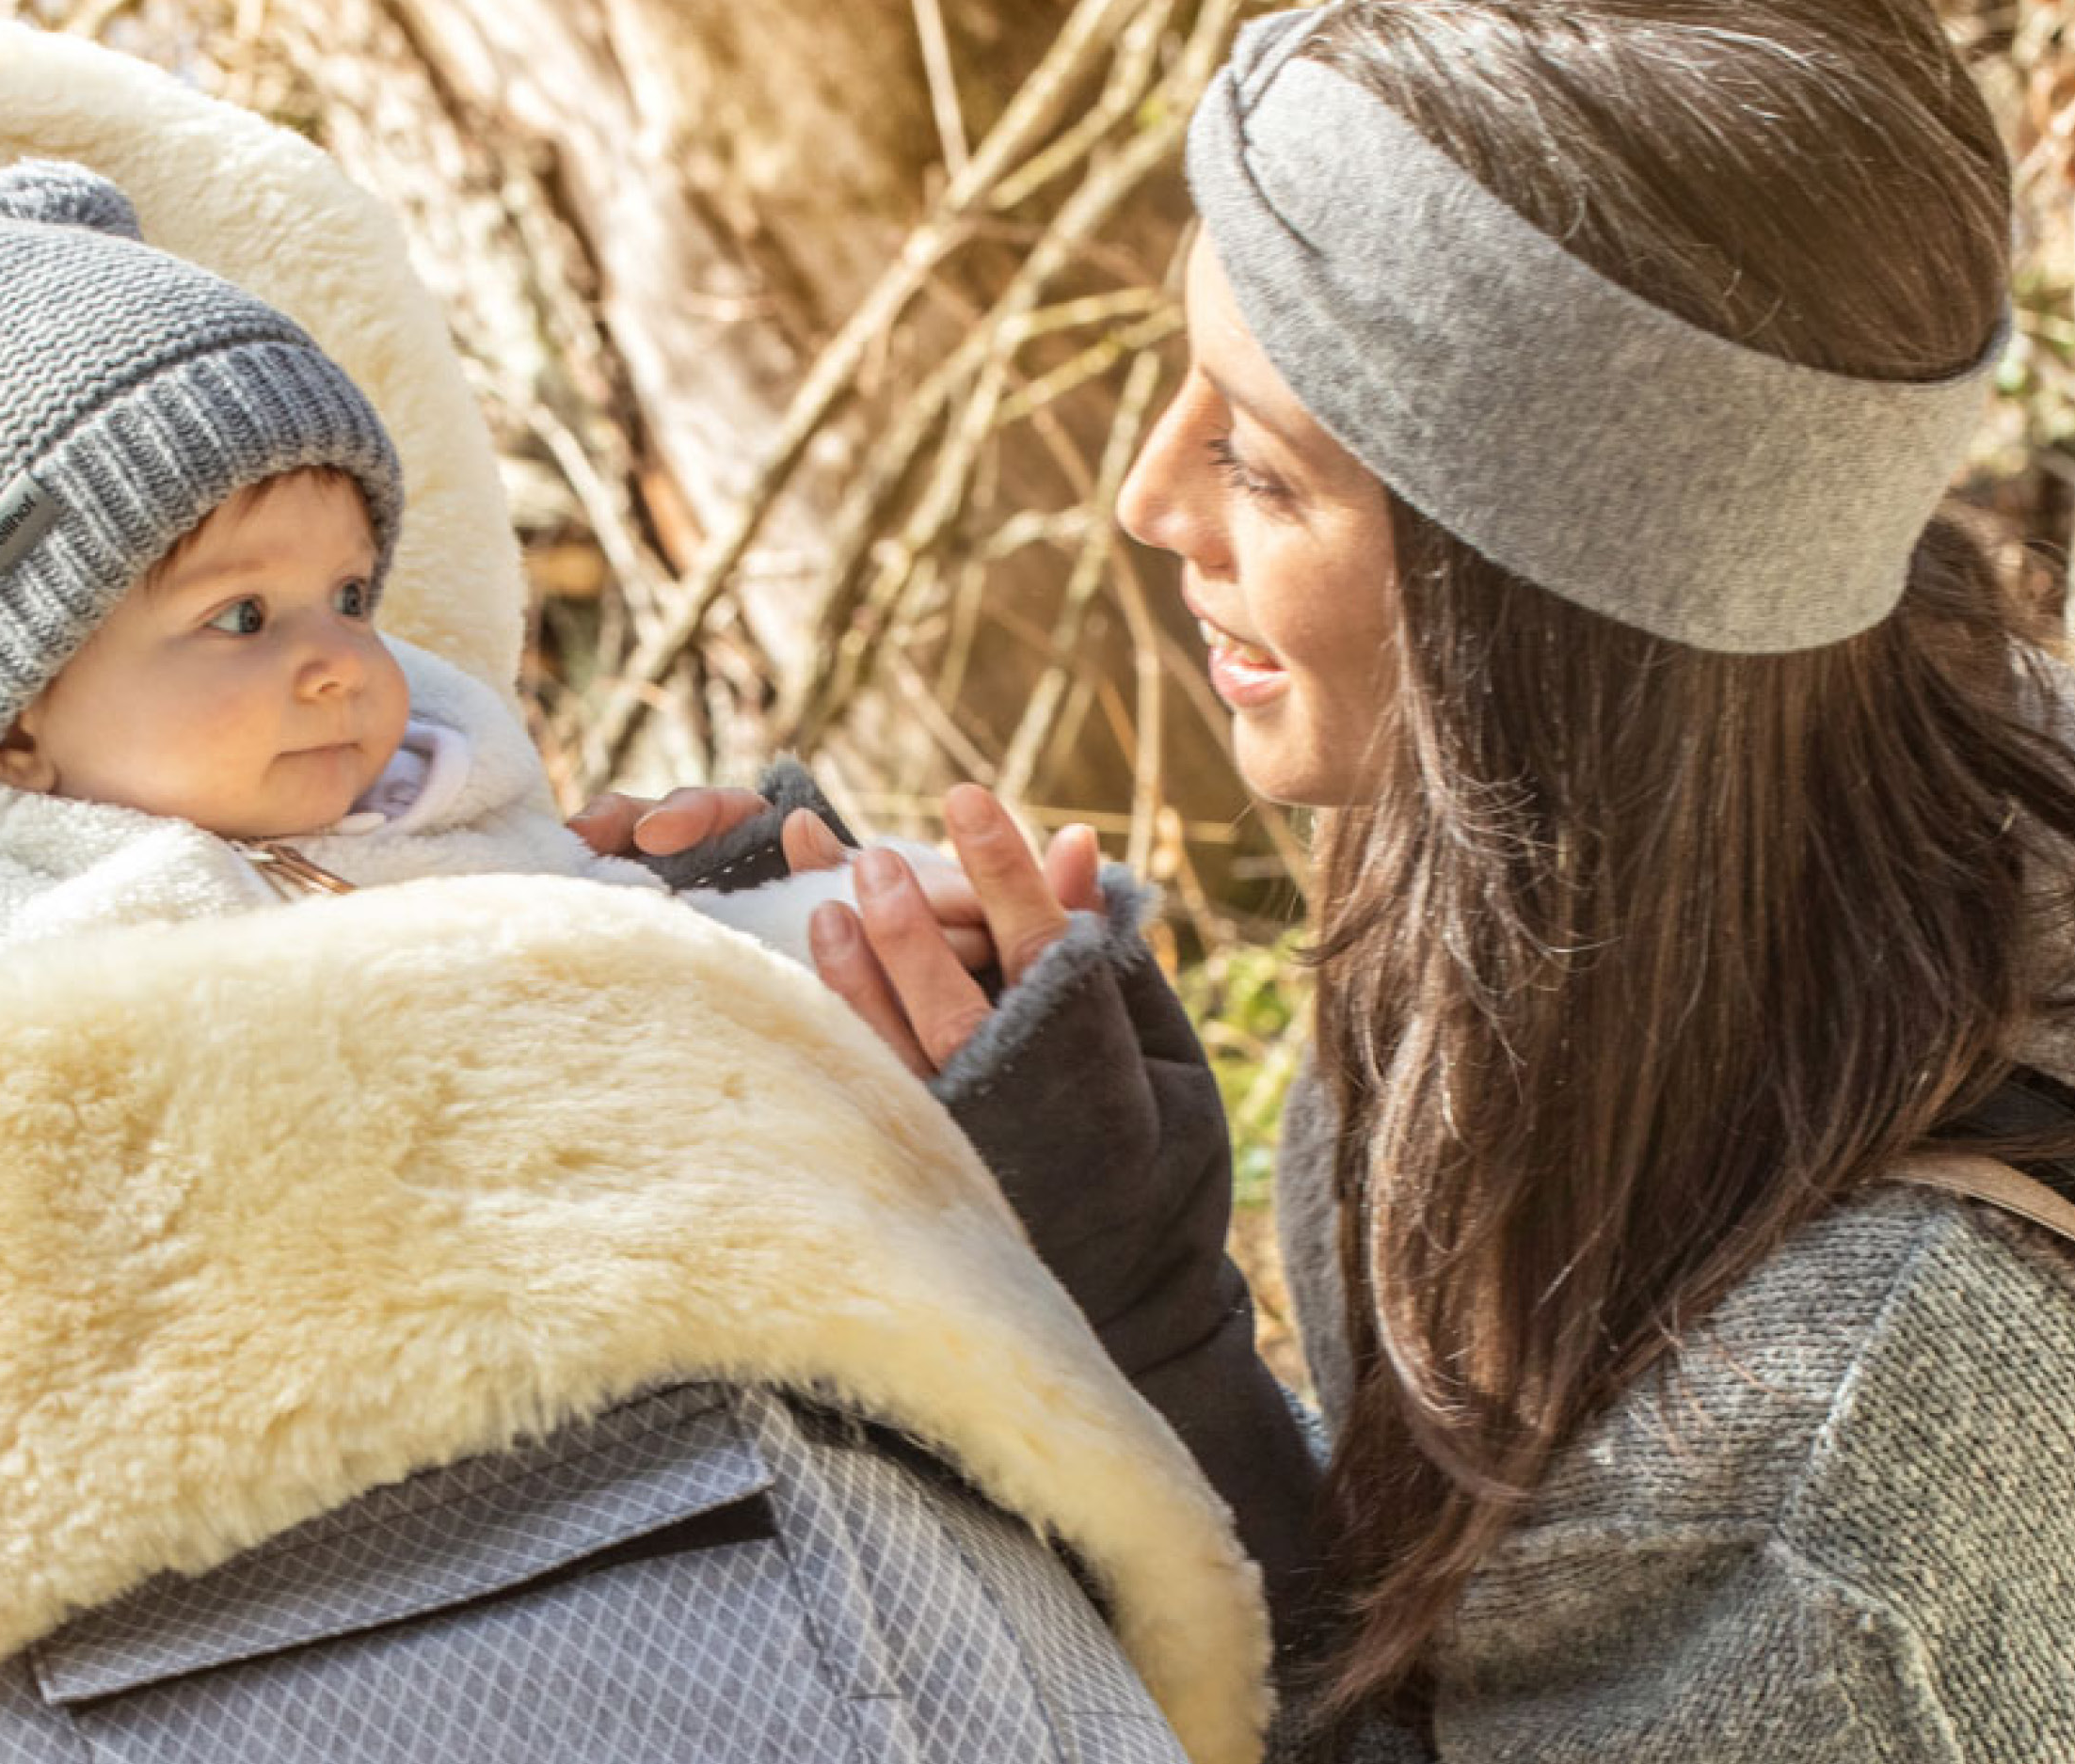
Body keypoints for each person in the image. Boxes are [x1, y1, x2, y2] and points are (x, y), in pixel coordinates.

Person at [588, 0, 2075, 1754]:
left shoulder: (1861, 1428)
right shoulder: (1547, 919)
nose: (1150, 498)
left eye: (1260, 464)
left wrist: (1135, 1317)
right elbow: (1424, 1641)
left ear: (1551, 612)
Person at [0, 158, 878, 1186]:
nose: (339, 659)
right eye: (240, 619)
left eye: (347, 595)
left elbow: (656, 966)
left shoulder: (450, 819)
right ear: (9, 719)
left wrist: (845, 920)